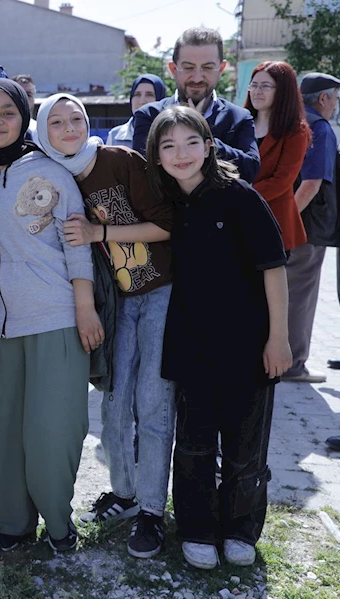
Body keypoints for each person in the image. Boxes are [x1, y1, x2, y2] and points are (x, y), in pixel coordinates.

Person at [146, 106, 290, 570]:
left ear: (209, 147)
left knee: (246, 448)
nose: (180, 153)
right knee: (194, 446)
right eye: (168, 146)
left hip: (250, 347)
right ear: (157, 156)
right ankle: (197, 528)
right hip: (192, 347)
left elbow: (274, 270)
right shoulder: (170, 205)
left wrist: (280, 339)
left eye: (191, 142)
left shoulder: (242, 198)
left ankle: (241, 530)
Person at [37, 92, 176, 559]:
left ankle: (153, 512)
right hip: (117, 301)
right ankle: (126, 493)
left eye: (77, 118)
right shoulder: (55, 175)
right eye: (57, 122)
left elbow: (167, 225)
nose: (70, 128)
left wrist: (101, 232)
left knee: (152, 402)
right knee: (114, 401)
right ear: (43, 131)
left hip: (159, 290)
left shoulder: (117, 160)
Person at [0, 81, 98, 554]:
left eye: (8, 111)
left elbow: (76, 244)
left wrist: (84, 309)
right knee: (1, 434)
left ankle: (60, 526)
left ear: (24, 116)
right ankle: (9, 524)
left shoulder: (52, 174)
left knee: (51, 432)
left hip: (55, 320)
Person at [133, 27, 260, 183]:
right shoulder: (149, 116)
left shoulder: (238, 118)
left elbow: (251, 170)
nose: (197, 77)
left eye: (207, 67)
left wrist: (202, 131)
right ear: (173, 69)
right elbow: (142, 176)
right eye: (188, 67)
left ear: (221, 69)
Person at [287, 73, 340, 381]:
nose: (335, 106)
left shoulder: (291, 122)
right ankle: (293, 364)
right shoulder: (318, 127)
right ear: (323, 99)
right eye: (334, 99)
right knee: (300, 294)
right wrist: (285, 222)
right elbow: (311, 184)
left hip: (292, 221)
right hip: (306, 227)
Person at [245, 61, 311, 256]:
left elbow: (282, 181)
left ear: (283, 90)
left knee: (268, 286)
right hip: (236, 218)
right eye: (254, 85)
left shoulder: (296, 131)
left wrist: (240, 195)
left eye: (265, 86)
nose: (257, 91)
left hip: (273, 220)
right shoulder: (241, 122)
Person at [107, 74, 167, 147]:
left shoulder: (170, 135)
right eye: (137, 94)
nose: (142, 101)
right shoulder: (115, 136)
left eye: (149, 95)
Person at [13, 74, 39, 144]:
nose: (24, 99)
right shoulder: (1, 126)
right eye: (19, 94)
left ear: (33, 99)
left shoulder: (40, 130)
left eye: (28, 95)